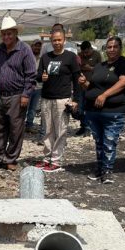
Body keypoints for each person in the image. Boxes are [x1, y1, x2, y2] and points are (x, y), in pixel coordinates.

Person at [79, 36, 125, 184]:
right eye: (109, 47)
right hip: (93, 110)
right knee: (99, 141)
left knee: (109, 141)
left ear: (120, 48)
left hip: (114, 110)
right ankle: (100, 169)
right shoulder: (100, 66)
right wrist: (84, 83)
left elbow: (124, 82)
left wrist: (104, 95)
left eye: (115, 46)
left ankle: (108, 171)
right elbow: (92, 87)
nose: (112, 49)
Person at [0, 16, 36, 171]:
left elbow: (31, 75)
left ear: (15, 33)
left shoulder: (25, 49)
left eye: (10, 33)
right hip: (1, 94)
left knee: (15, 129)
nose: (7, 37)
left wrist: (26, 94)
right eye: (4, 34)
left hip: (17, 94)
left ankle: (10, 158)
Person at [35, 29, 81, 172]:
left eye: (59, 40)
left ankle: (56, 160)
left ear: (64, 41)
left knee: (60, 130)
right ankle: (46, 157)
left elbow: (77, 79)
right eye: (54, 40)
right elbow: (37, 76)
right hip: (46, 98)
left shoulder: (71, 57)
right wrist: (41, 78)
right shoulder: (45, 57)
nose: (56, 43)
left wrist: (76, 99)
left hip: (62, 98)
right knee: (47, 130)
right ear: (51, 41)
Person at [76, 41, 101, 136]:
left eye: (87, 52)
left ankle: (89, 127)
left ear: (91, 49)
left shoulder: (97, 55)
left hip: (92, 85)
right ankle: (83, 126)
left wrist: (90, 68)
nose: (85, 54)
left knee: (90, 107)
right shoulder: (79, 56)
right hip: (81, 85)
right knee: (81, 107)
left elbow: (101, 69)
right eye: (84, 53)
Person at [25, 39, 43, 133]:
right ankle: (20, 126)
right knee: (24, 107)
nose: (37, 47)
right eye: (35, 45)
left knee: (33, 108)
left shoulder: (42, 58)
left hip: (38, 86)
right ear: (32, 46)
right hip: (28, 86)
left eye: (39, 46)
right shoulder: (27, 56)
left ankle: (29, 125)